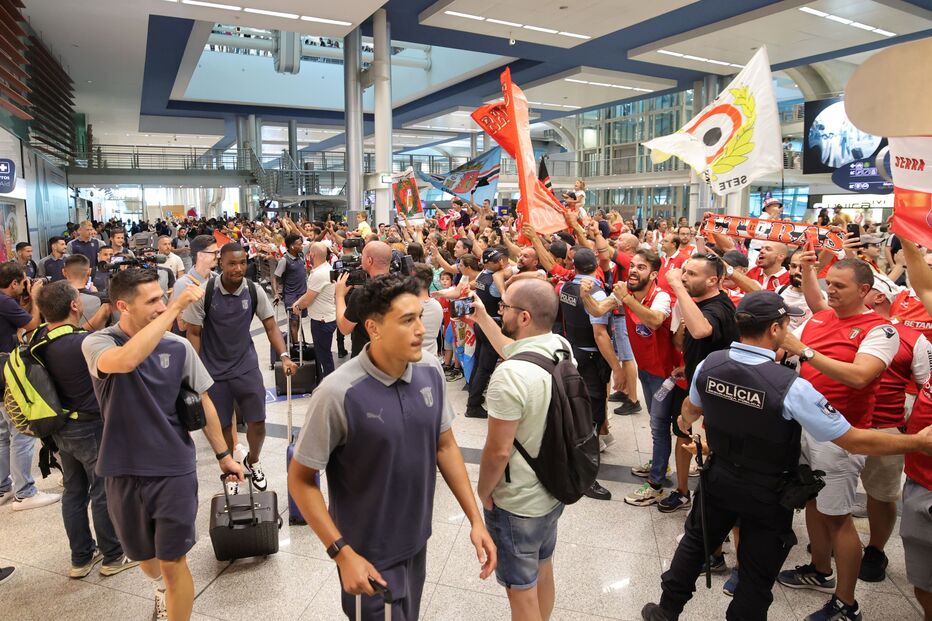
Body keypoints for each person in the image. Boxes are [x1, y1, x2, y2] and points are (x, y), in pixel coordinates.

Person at [640, 291, 932, 621]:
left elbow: (690, 411)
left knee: (694, 544)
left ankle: (666, 612)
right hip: (767, 491)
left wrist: (685, 427)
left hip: (718, 477)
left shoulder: (711, 363)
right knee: (755, 573)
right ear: (777, 330)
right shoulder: (791, 386)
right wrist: (917, 442)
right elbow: (851, 439)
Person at [287, 274, 496, 621]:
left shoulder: (430, 370)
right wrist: (341, 553)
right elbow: (301, 479)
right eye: (407, 320)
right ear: (374, 328)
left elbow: (444, 445)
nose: (420, 330)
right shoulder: (338, 392)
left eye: (419, 316)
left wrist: (476, 520)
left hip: (416, 540)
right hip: (366, 555)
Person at [82, 269, 245, 621]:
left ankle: (172, 599)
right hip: (121, 468)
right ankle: (160, 587)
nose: (161, 306)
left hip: (173, 467)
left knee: (173, 562)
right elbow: (125, 362)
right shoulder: (98, 343)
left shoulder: (179, 347)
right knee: (144, 557)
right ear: (123, 306)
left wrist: (224, 455)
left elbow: (204, 402)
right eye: (152, 301)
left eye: (163, 297)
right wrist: (175, 309)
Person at [777, 258, 899, 621]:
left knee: (838, 517)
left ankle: (847, 603)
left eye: (839, 286)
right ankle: (819, 570)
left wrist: (805, 351)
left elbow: (861, 376)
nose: (830, 291)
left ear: (865, 291)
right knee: (812, 499)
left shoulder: (881, 330)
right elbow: (799, 353)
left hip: (839, 434)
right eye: (828, 283)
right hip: (801, 424)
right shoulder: (821, 317)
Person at [468, 279, 568, 620]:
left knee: (520, 591)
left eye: (504, 307)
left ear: (523, 317)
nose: (500, 311)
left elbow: (498, 451)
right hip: (552, 487)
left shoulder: (510, 376)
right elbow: (512, 349)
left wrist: (482, 491)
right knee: (543, 568)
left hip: (518, 501)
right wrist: (482, 318)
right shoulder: (559, 347)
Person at [36, 282, 137, 578]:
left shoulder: (40, 340)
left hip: (61, 428)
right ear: (74, 306)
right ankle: (113, 556)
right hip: (91, 426)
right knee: (103, 490)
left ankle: (81, 558)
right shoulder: (82, 343)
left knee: (74, 491)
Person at [183, 243, 295, 494]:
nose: (238, 268)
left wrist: (284, 356)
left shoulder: (254, 291)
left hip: (245, 367)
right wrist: (196, 374)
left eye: (243, 262)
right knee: (222, 425)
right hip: (214, 372)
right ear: (220, 263)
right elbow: (193, 334)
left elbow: (270, 326)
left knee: (258, 422)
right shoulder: (205, 293)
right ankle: (231, 468)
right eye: (232, 263)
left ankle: (252, 461)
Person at [659, 254, 739, 514]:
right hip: (694, 381)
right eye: (684, 272)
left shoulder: (718, 307)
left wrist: (678, 288)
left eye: (692, 274)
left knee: (709, 450)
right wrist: (689, 366)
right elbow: (702, 342)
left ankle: (713, 513)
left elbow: (702, 331)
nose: (683, 277)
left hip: (712, 397)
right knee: (683, 435)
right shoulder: (701, 302)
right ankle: (683, 492)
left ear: (713, 280)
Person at [556, 248, 615, 501]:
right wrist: (619, 367)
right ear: (595, 267)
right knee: (591, 416)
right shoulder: (596, 292)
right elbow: (600, 334)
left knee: (577, 408)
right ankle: (586, 476)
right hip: (592, 358)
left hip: (574, 351)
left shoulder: (566, 288)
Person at [0, 263, 58, 510]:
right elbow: (33, 323)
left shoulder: (5, 302)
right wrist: (35, 297)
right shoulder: (4, 301)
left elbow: (18, 320)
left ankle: (4, 487)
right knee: (21, 431)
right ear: (14, 283)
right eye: (24, 281)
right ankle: (25, 492)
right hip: (6, 372)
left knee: (2, 433)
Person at [464, 248, 509, 418]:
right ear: (488, 263)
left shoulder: (482, 274)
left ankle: (473, 395)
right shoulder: (494, 282)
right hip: (491, 325)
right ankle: (473, 405)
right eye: (497, 260)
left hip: (480, 322)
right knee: (485, 367)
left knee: (478, 363)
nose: (502, 262)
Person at [335, 240, 392, 358]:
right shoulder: (401, 287)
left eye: (362, 256)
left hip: (366, 361)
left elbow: (344, 329)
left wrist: (339, 296)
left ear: (369, 260)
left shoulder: (362, 293)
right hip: (392, 357)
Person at [292, 242, 337, 379]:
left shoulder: (320, 274)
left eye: (309, 253)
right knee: (322, 353)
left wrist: (298, 306)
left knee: (324, 356)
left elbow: (308, 299)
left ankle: (327, 384)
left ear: (312, 255)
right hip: (323, 318)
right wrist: (298, 302)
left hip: (322, 321)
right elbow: (309, 294)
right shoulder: (324, 270)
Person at [171, 235, 218, 333]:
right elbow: (182, 326)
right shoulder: (183, 284)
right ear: (200, 255)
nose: (217, 256)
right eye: (214, 252)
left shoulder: (216, 278)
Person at [273, 234, 308, 345]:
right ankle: (296, 345)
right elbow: (275, 278)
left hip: (302, 295)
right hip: (291, 295)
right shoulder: (284, 260)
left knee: (299, 320)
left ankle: (296, 343)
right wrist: (276, 294)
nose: (302, 246)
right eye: (299, 244)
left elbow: (315, 241)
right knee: (293, 321)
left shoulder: (301, 255)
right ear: (292, 246)